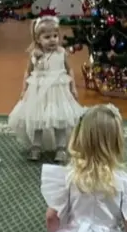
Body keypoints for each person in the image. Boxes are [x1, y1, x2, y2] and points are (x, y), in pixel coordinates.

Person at [7, 15, 84, 163]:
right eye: (47, 37)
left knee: (60, 119)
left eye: (55, 36)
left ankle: (61, 147)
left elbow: (69, 70)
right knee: (38, 119)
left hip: (58, 93)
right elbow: (28, 72)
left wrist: (73, 87)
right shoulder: (35, 55)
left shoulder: (61, 53)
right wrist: (24, 90)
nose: (52, 40)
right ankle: (36, 146)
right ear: (38, 39)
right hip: (38, 93)